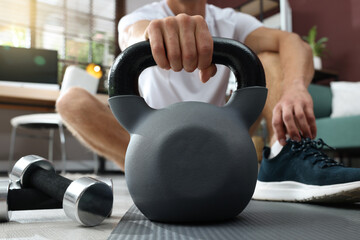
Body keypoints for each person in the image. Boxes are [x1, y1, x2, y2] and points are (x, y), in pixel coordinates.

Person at [56, 0, 360, 202]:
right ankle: (150, 171)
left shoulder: (229, 20)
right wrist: (156, 36)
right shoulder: (140, 17)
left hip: (224, 137)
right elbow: (133, 34)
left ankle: (286, 156)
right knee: (70, 100)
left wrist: (295, 87)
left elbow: (291, 42)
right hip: (153, 142)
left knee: (269, 53)